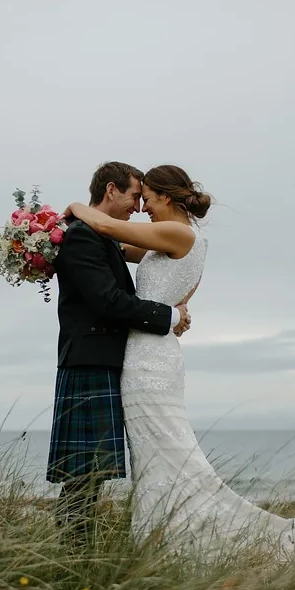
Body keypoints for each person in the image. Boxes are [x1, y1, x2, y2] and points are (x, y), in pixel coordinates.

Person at [63, 165, 295, 566]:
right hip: (152, 353)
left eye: (149, 200)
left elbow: (105, 230)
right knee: (160, 453)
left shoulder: (178, 233)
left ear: (168, 198)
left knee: (167, 452)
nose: (144, 209)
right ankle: (164, 534)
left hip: (148, 361)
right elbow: (117, 250)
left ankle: (176, 538)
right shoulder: (172, 241)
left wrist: (71, 207)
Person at [47, 161, 191, 543]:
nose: (137, 207)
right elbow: (109, 302)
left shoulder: (101, 236)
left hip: (105, 360)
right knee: (84, 475)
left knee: (91, 475)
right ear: (111, 190)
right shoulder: (82, 236)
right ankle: (74, 553)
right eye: (133, 196)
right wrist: (169, 316)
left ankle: (78, 550)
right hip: (89, 362)